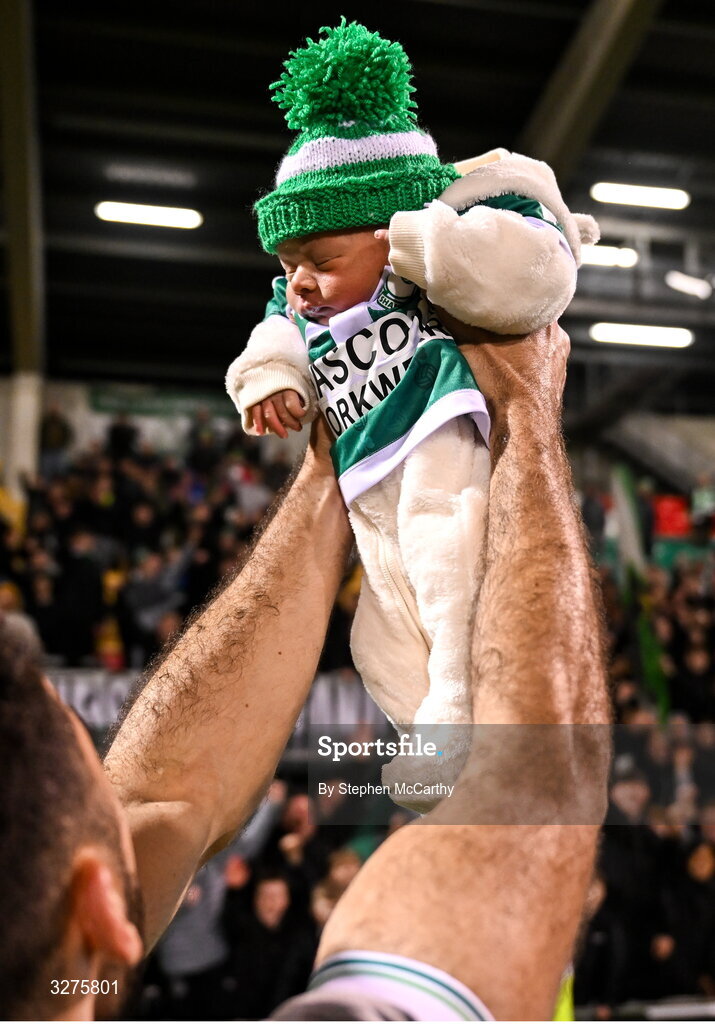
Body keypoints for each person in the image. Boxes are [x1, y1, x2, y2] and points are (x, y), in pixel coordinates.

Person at [0, 306, 609, 1021]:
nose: (117, 792)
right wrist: (526, 418)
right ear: (99, 911)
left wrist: (339, 458)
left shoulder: (68, 982)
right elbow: (535, 784)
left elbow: (163, 798)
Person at [226, 20, 598, 807]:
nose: (299, 283)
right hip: (366, 481)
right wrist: (269, 379)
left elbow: (535, 266)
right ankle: (431, 737)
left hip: (440, 446)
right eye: (289, 264)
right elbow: (272, 331)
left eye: (321, 263)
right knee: (379, 636)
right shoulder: (305, 302)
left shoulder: (423, 259)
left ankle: (459, 717)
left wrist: (437, 248)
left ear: (386, 230)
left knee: (447, 570)